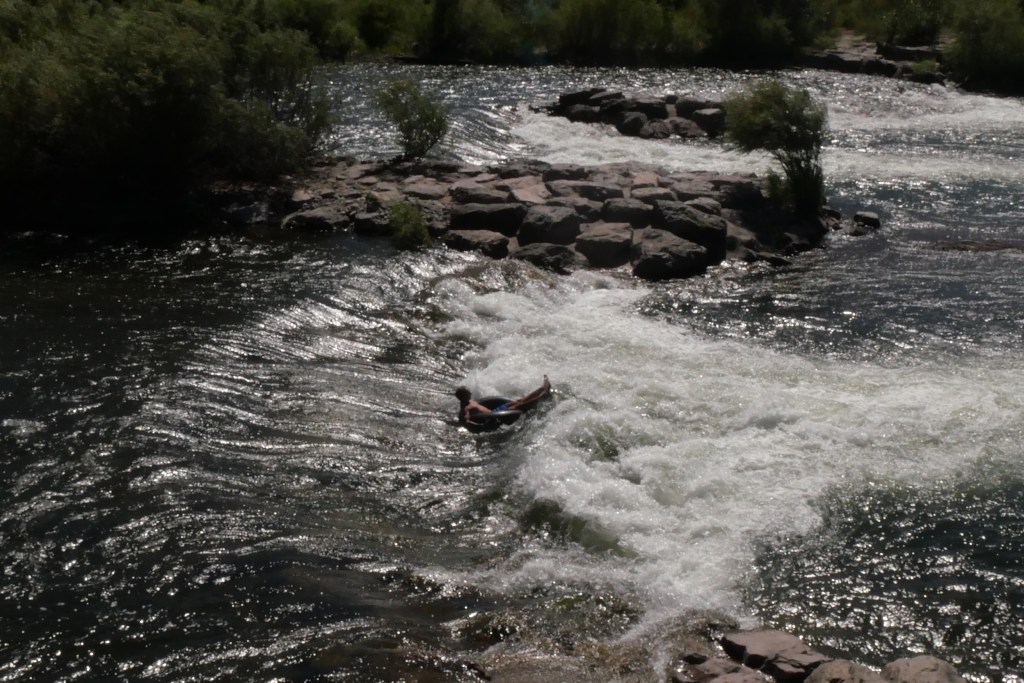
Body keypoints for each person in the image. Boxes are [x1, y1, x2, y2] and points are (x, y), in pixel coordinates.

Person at [455, 375, 551, 427]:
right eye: (468, 392)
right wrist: (480, 425)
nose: (470, 392)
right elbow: (466, 420)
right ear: (463, 396)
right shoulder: (466, 407)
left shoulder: (470, 401)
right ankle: (542, 395)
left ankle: (541, 388)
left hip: (496, 410)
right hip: (496, 416)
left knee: (519, 401)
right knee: (520, 405)